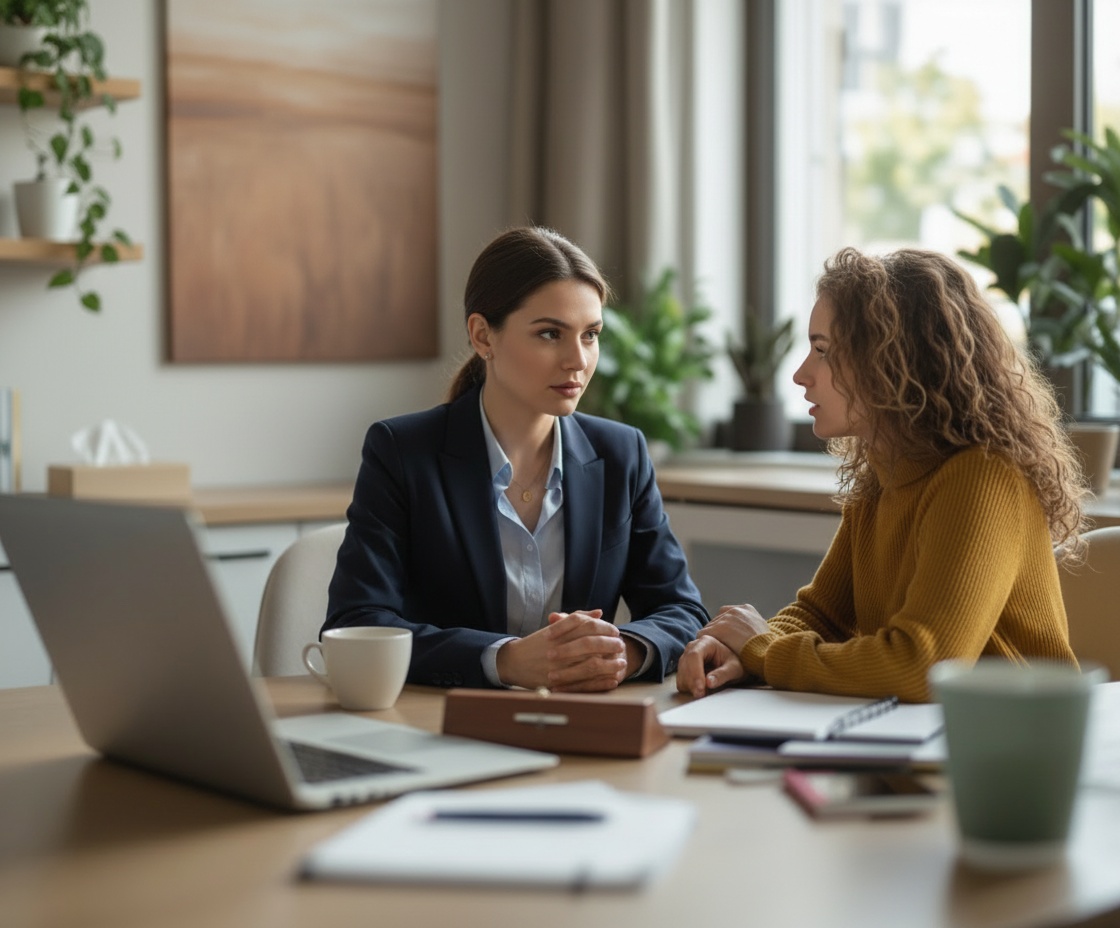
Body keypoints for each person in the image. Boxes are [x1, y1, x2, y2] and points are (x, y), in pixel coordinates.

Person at [678, 247, 1086, 704]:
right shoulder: (883, 479)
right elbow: (821, 615)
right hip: (933, 736)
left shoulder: (982, 478)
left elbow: (923, 668)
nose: (800, 375)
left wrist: (764, 650)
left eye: (823, 351)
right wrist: (738, 652)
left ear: (894, 360)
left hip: (1016, 744)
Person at [325, 226, 708, 691]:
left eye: (590, 335)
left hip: (583, 721)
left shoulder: (621, 453)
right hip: (443, 724)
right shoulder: (403, 452)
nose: (578, 360)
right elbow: (356, 622)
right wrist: (502, 661)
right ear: (483, 336)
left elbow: (682, 611)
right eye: (550, 334)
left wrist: (619, 652)